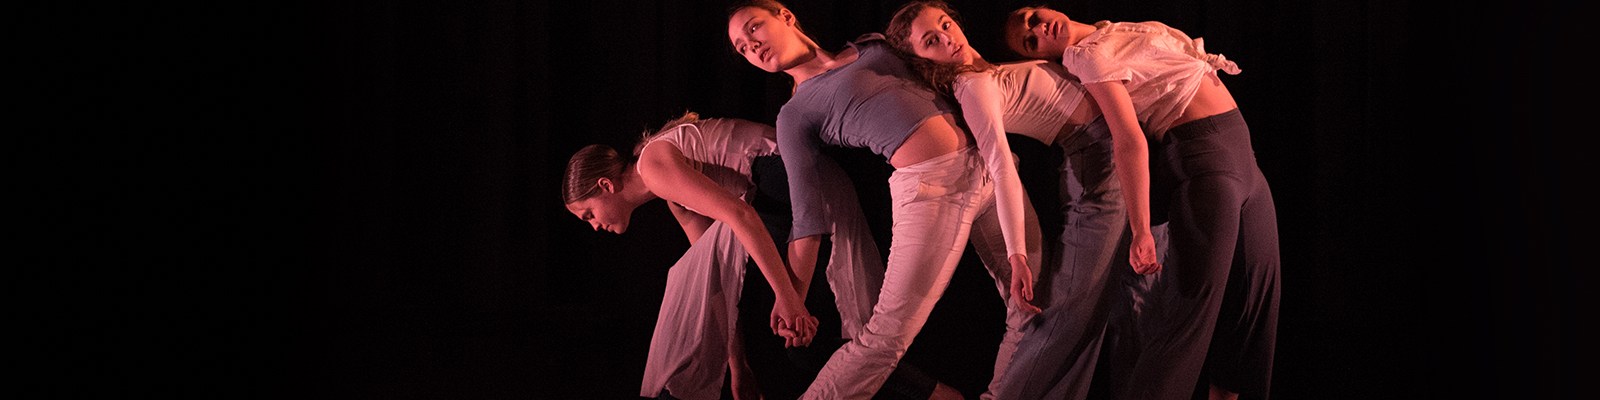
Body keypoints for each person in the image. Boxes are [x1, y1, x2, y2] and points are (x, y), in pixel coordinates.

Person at [726, 1, 1044, 399]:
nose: (751, 47)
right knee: (885, 338)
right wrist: (792, 298)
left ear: (785, 16)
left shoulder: (875, 45)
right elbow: (808, 217)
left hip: (988, 168)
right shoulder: (794, 115)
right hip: (931, 192)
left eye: (753, 29)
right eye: (741, 48)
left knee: (1033, 303)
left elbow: (950, 67)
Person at [561, 113, 947, 400]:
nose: (594, 226)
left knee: (803, 337)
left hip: (789, 183)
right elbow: (716, 288)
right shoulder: (672, 193)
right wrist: (737, 366)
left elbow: (741, 214)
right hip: (781, 196)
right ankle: (938, 395)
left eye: (589, 214)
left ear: (606, 185)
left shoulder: (655, 165)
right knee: (805, 347)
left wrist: (789, 297)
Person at [1003, 7, 1281, 400]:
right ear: (1041, 55)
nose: (1038, 27)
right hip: (1205, 163)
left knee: (1254, 306)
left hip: (1245, 161)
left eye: (1032, 16)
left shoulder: (1113, 30)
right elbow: (1128, 139)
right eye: (1031, 40)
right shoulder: (1087, 55)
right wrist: (1140, 229)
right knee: (1188, 319)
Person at [884, 2, 1148, 399]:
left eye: (945, 24)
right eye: (931, 41)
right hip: (1099, 165)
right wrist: (1016, 254)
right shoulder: (971, 86)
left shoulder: (984, 72)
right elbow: (1001, 165)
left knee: (1102, 308)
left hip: (1108, 155)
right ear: (921, 60)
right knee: (1067, 315)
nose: (948, 37)